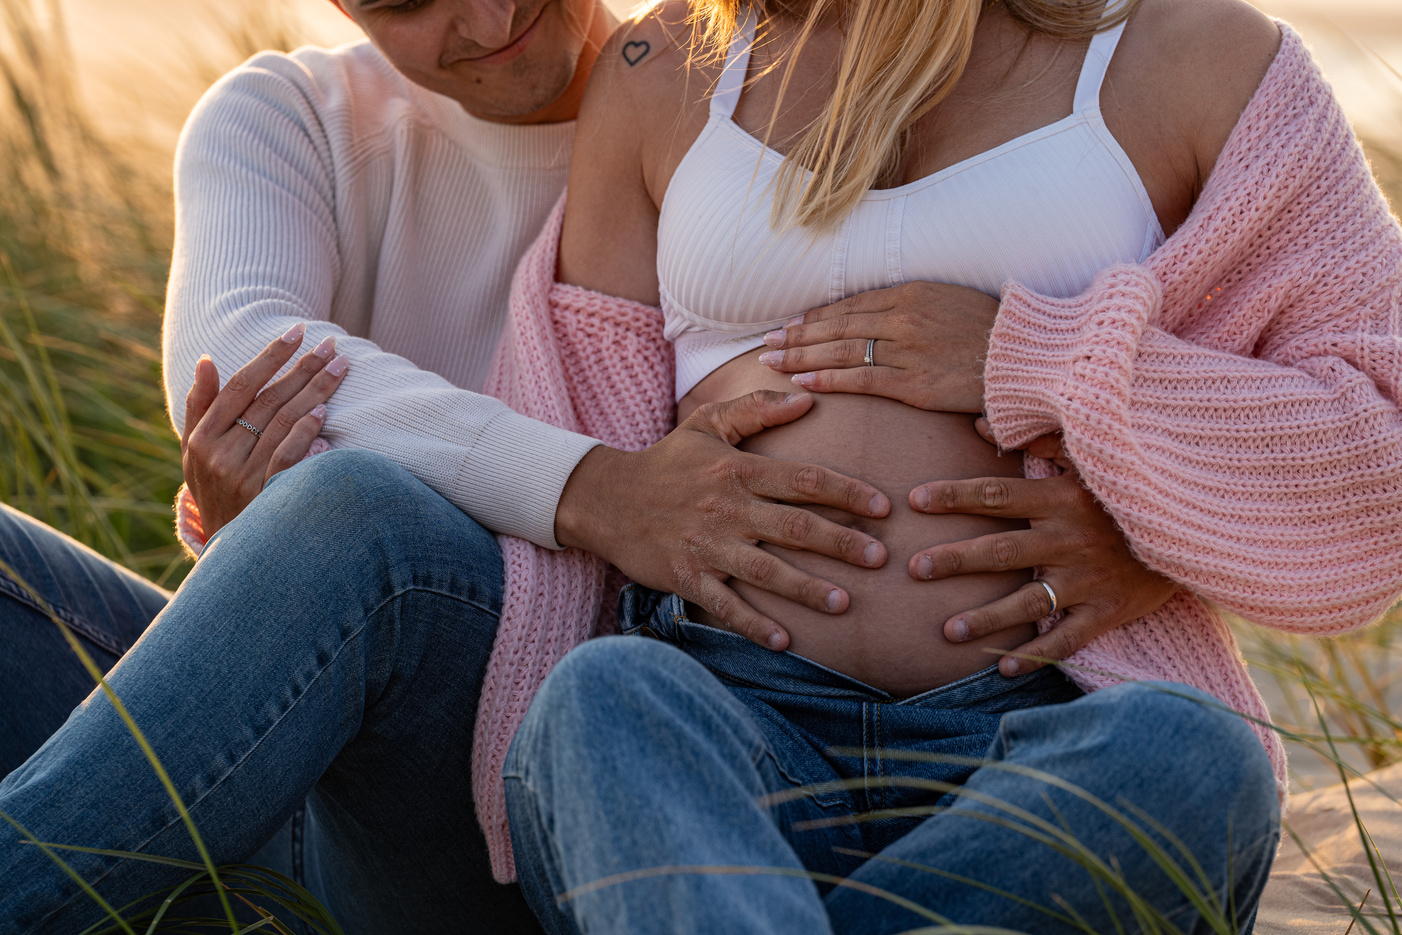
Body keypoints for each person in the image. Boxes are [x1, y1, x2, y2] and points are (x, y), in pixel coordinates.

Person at [0, 0, 1166, 933]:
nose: (490, 13)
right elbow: (248, 358)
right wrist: (596, 491)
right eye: (409, 0)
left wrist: (1150, 532)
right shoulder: (288, 116)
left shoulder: (737, 104)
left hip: (527, 801)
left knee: (357, 511)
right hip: (287, 767)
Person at [498, 0, 1402, 930]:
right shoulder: (665, 64)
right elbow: (570, 443)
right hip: (717, 709)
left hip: (1037, 729)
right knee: (597, 699)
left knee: (1193, 752)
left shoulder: (1201, 57)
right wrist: (630, 506)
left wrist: (1038, 364)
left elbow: (1379, 444)